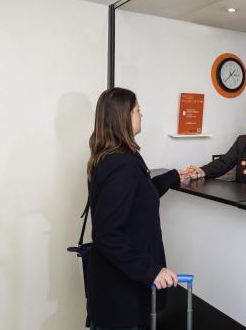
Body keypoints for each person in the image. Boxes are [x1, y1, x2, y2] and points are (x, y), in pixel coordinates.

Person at [86, 88, 185, 329]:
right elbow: (106, 234)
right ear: (123, 117)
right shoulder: (122, 163)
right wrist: (152, 271)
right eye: (137, 110)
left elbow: (138, 195)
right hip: (122, 293)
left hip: (116, 289)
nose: (141, 115)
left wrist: (174, 176)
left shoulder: (111, 157)